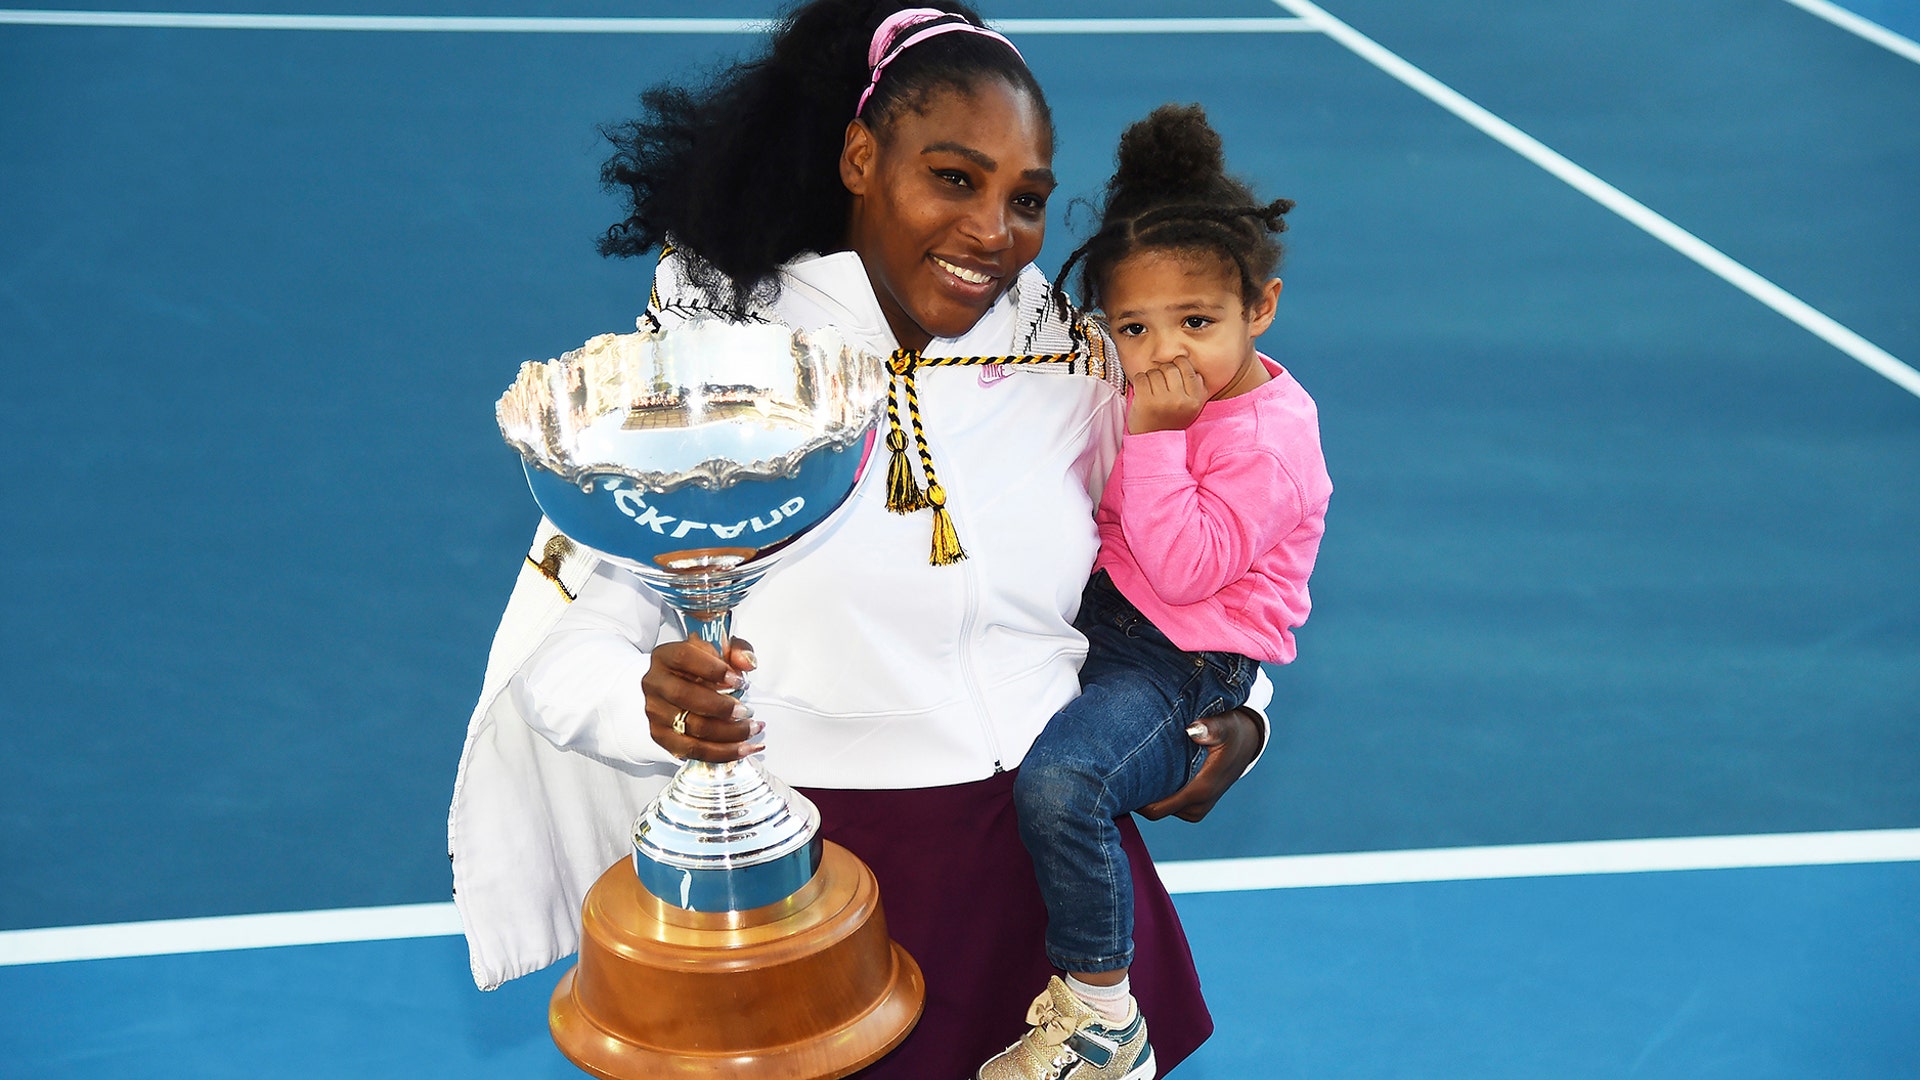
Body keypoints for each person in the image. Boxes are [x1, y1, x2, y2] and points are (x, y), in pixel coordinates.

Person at [446, 4, 1273, 1074]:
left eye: (1026, 200)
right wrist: (654, 705)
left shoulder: (1075, 362)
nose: (994, 233)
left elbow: (1212, 552)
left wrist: (1240, 715)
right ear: (860, 156)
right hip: (814, 899)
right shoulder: (716, 373)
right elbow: (565, 659)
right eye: (954, 178)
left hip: (1054, 890)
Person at [977, 104, 1332, 1080]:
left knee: (1066, 783)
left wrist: (1157, 439)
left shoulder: (1269, 440)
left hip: (1184, 665)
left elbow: (1184, 568)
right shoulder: (1141, 386)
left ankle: (1102, 1017)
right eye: (1133, 326)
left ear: (1261, 306)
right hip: (1105, 620)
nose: (1165, 352)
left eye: (1197, 321)